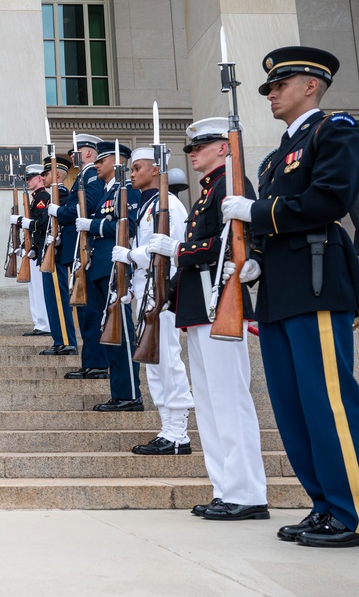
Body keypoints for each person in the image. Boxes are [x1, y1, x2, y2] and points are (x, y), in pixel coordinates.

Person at [221, 46, 359, 546]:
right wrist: (254, 256)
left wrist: (258, 214)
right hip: (280, 290)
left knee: (329, 402)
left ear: (311, 86)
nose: (272, 94)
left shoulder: (334, 131)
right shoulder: (276, 156)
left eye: (281, 85)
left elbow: (329, 199)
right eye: (270, 88)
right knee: (293, 406)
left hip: (317, 284)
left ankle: (352, 510)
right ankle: (324, 505)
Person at [148, 117, 267, 521]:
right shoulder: (209, 191)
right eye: (192, 148)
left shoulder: (232, 186)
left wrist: (179, 248)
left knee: (229, 400)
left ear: (224, 147)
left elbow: (231, 241)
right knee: (211, 404)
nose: (193, 153)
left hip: (220, 300)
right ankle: (225, 489)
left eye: (202, 146)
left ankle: (247, 493)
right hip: (199, 305)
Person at [110, 146, 193, 452]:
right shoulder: (147, 207)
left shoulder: (169, 205)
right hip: (146, 290)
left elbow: (174, 248)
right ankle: (167, 428)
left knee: (168, 359)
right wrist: (130, 281)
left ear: (156, 170)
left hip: (165, 291)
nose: (132, 174)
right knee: (153, 363)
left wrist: (131, 255)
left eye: (137, 168)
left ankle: (179, 433)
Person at [80, 142, 141, 411]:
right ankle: (119, 393)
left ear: (116, 161)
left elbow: (127, 226)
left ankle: (130, 394)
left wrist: (93, 224)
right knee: (110, 332)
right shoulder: (107, 193)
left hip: (115, 268)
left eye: (102, 160)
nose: (97, 164)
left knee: (123, 332)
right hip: (100, 268)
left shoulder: (125, 190)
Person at [51, 135, 109, 377]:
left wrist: (61, 212)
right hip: (78, 248)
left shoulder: (90, 175)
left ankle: (95, 363)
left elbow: (89, 206)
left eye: (76, 151)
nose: (73, 155)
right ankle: (92, 361)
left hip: (84, 247)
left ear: (87, 153)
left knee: (89, 310)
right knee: (85, 310)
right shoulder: (84, 176)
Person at [32, 154, 78, 356]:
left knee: (59, 299)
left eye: (47, 173)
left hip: (57, 254)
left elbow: (63, 220)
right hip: (48, 254)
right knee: (52, 300)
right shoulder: (51, 197)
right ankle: (59, 340)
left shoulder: (63, 195)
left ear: (58, 175)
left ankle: (67, 341)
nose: (43, 177)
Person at [17, 164, 49, 336]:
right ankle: (39, 323)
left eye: (30, 178)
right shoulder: (35, 198)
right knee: (33, 289)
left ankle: (44, 325)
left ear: (40, 178)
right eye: (27, 179)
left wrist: (22, 220)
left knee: (39, 289)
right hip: (33, 250)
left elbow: (40, 224)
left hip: (39, 250)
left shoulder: (43, 197)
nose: (28, 181)